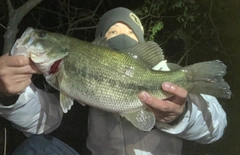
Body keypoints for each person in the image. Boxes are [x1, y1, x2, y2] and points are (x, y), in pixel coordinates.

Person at [0, 7, 227, 155]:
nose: (120, 37)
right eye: (112, 32)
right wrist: (10, 96)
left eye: (128, 33)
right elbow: (42, 119)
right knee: (36, 149)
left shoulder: (170, 74)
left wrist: (182, 113)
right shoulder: (74, 79)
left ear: (140, 41)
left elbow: (215, 126)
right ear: (100, 42)